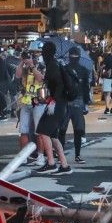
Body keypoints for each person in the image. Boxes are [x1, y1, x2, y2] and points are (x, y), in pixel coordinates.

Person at [35, 41, 72, 174]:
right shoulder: (55, 64)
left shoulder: (52, 65)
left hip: (56, 104)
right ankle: (64, 165)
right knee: (53, 135)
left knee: (43, 131)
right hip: (61, 104)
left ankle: (51, 163)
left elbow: (58, 84)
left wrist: (52, 100)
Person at [58, 46, 92, 163]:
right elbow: (86, 87)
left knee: (62, 130)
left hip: (65, 102)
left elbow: (59, 86)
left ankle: (60, 154)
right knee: (78, 130)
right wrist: (86, 103)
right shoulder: (84, 70)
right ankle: (77, 155)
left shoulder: (64, 69)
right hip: (78, 101)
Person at [14, 47, 46, 165]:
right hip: (26, 102)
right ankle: (23, 156)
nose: (30, 58)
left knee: (39, 131)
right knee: (24, 131)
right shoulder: (25, 67)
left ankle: (41, 156)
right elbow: (17, 76)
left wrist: (32, 65)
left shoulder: (41, 66)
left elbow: (40, 78)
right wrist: (22, 62)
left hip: (37, 102)